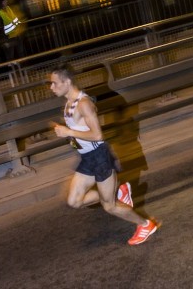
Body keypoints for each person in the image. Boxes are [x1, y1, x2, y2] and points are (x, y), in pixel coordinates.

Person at [49, 64, 160, 245]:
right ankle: (117, 192)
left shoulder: (84, 104)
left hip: (100, 157)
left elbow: (98, 135)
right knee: (74, 201)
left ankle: (145, 224)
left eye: (54, 83)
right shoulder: (69, 103)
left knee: (110, 207)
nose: (51, 87)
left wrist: (68, 133)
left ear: (67, 82)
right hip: (87, 158)